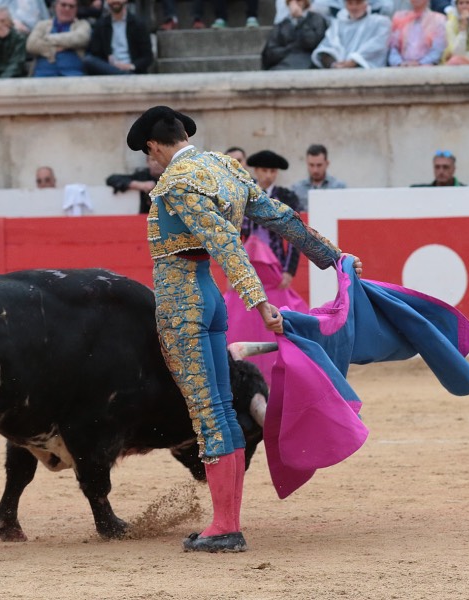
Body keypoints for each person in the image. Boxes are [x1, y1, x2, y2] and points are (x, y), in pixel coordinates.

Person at [125, 105, 352, 552]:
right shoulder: (225, 168)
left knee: (209, 413)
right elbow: (280, 216)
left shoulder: (175, 182)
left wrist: (259, 301)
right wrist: (333, 257)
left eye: (149, 153)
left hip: (183, 302)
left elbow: (224, 242)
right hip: (210, 298)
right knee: (223, 409)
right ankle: (225, 520)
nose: (151, 161)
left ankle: (225, 526)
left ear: (153, 146)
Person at [243, 150, 303, 288]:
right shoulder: (244, 193)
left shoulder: (287, 197)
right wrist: (232, 271)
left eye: (273, 171)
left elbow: (296, 236)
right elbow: (235, 234)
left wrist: (289, 271)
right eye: (264, 170)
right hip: (247, 263)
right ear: (256, 170)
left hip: (276, 264)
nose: (269, 175)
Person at [312, 0, 392, 68]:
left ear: (366, 3)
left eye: (358, 3)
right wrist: (335, 64)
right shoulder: (337, 24)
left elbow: (377, 46)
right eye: (350, 3)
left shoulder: (380, 23)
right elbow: (326, 48)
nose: (354, 7)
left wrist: (354, 61)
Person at [82, 0, 153, 75]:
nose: (115, 1)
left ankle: (124, 75)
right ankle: (124, 75)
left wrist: (130, 66)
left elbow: (147, 57)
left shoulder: (138, 24)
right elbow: (94, 54)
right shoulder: (101, 25)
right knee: (88, 60)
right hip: (109, 69)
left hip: (132, 70)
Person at [26, 0, 90, 77]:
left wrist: (48, 38)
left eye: (71, 6)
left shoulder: (82, 24)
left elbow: (81, 38)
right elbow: (31, 45)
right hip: (42, 76)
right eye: (63, 5)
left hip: (73, 76)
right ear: (56, 6)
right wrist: (56, 48)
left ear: (76, 9)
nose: (67, 9)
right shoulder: (42, 25)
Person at [261, 0, 328, 70]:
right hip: (283, 61)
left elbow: (311, 42)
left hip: (306, 62)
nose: (295, 4)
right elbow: (270, 52)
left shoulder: (316, 19)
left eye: (299, 0)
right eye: (291, 1)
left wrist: (300, 19)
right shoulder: (282, 25)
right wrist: (291, 49)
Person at [388, 0, 447, 67]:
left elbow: (437, 50)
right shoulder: (399, 17)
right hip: (401, 68)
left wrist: (420, 63)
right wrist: (399, 63)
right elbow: (393, 48)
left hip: (428, 69)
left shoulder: (438, 19)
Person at [290, 144, 347, 211]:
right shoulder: (296, 189)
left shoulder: (339, 187)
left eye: (319, 165)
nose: (315, 170)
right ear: (307, 163)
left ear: (327, 164)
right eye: (311, 165)